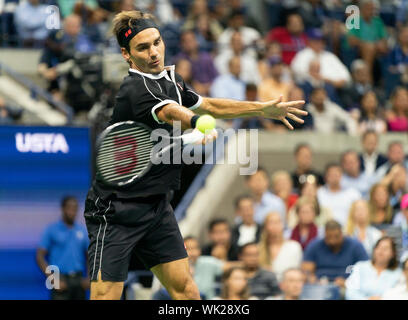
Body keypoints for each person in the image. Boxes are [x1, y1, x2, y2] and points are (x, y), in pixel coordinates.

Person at [84, 10, 306, 300]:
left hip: (155, 207)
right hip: (115, 211)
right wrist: (195, 123)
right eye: (142, 47)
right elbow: (169, 111)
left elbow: (210, 105)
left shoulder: (170, 81)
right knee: (105, 297)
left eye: (157, 42)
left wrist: (262, 109)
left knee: (187, 291)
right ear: (127, 55)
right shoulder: (134, 89)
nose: (153, 52)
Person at [36, 196, 89, 300]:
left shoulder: (82, 231)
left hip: (78, 280)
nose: (72, 212)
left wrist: (89, 277)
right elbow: (39, 257)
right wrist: (53, 279)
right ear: (63, 209)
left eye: (75, 209)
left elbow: (89, 256)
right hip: (60, 278)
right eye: (69, 208)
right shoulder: (52, 230)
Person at [302, 220, 369, 288]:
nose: (332, 241)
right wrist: (312, 279)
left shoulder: (355, 246)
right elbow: (307, 271)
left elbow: (365, 269)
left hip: (348, 285)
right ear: (325, 234)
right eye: (329, 237)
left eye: (336, 236)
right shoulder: (315, 245)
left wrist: (348, 282)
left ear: (342, 234)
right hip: (320, 285)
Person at [345, 0, 388, 83]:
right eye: (368, 8)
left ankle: (384, 80)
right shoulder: (355, 19)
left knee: (380, 47)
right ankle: (368, 78)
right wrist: (365, 43)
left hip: (376, 49)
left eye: (373, 9)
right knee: (369, 48)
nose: (371, 11)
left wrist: (379, 44)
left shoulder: (377, 21)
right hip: (357, 49)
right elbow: (351, 40)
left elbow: (383, 39)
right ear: (361, 9)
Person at [259, 212, 303, 281]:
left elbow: (298, 271)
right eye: (271, 223)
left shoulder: (294, 246)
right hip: (266, 286)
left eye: (277, 222)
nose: (275, 226)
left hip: (288, 286)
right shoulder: (259, 249)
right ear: (265, 227)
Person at [173, 30, 218, 96]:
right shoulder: (179, 59)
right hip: (189, 91)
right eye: (185, 41)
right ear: (181, 44)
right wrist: (194, 85)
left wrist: (207, 87)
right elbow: (178, 79)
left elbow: (216, 77)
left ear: (196, 41)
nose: (189, 44)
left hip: (210, 91)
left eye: (191, 40)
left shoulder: (207, 57)